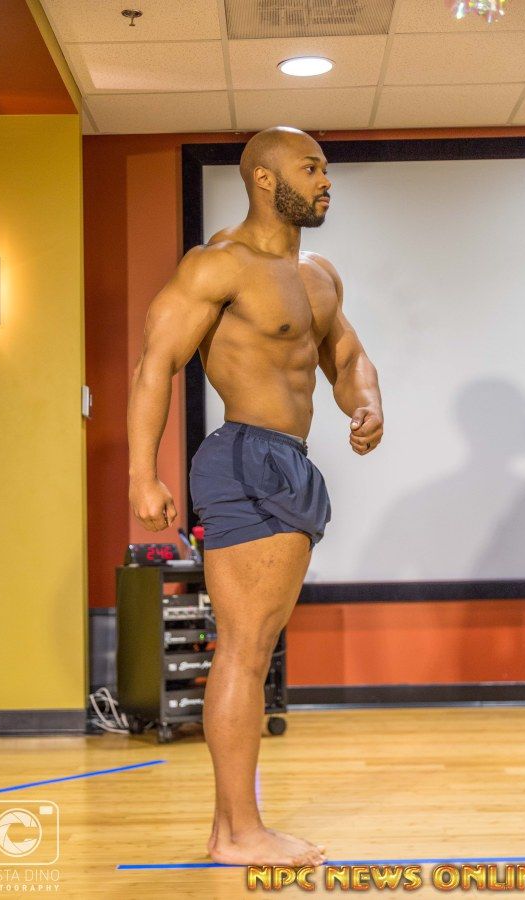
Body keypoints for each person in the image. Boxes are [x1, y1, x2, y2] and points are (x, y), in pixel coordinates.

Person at [127, 125, 384, 866]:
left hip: (290, 460)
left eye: (325, 168)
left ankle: (231, 830)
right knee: (243, 652)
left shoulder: (318, 276)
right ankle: (240, 833)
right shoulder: (219, 264)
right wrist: (143, 473)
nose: (326, 180)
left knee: (253, 649)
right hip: (246, 456)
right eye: (311, 167)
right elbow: (155, 364)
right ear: (266, 179)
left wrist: (366, 403)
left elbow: (346, 355)